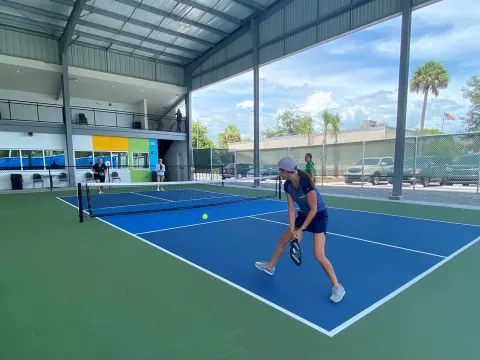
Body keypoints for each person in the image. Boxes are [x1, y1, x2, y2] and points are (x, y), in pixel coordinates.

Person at [255, 156, 345, 303]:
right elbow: (291, 209)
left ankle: (337, 286)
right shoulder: (287, 185)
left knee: (319, 254)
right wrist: (293, 230)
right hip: (303, 215)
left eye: (280, 169)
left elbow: (314, 209)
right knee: (284, 239)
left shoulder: (306, 182)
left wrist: (301, 230)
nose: (279, 171)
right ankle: (270, 266)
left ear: (285, 170)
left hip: (319, 216)